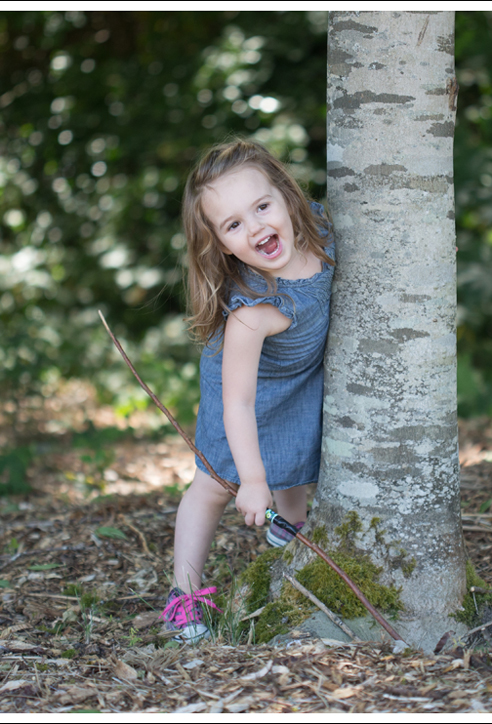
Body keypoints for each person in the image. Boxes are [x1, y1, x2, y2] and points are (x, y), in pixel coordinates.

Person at [160, 138, 335, 643]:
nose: (257, 227)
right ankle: (184, 592)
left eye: (262, 206)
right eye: (234, 224)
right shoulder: (253, 310)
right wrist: (251, 481)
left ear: (286, 195)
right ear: (220, 244)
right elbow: (238, 403)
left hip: (299, 378)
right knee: (214, 484)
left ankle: (292, 522)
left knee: (298, 449)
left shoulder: (323, 231)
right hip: (238, 390)